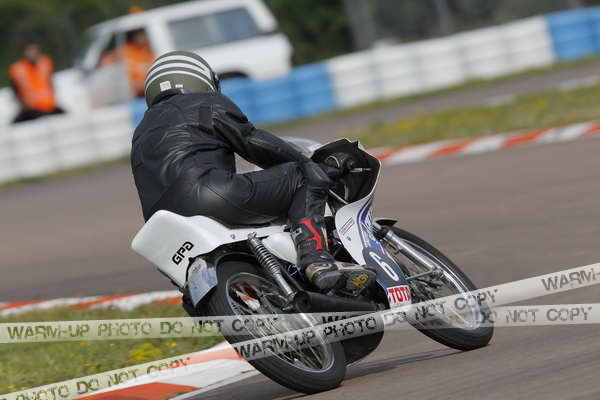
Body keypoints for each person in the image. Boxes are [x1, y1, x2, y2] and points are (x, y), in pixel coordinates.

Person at [131, 51, 376, 293]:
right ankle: (316, 260)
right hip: (209, 194)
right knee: (304, 177)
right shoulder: (202, 101)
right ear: (200, 78)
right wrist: (307, 163)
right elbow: (252, 141)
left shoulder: (140, 133)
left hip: (166, 224)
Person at [8, 43, 64, 124]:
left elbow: (50, 83)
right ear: (23, 53)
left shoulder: (45, 63)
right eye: (29, 51)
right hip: (31, 109)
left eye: (33, 50)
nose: (32, 53)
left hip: (49, 106)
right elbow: (15, 90)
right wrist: (23, 105)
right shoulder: (18, 69)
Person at [121, 30, 154, 97]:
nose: (142, 38)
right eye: (139, 36)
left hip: (146, 85)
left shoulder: (148, 50)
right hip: (134, 87)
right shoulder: (128, 49)